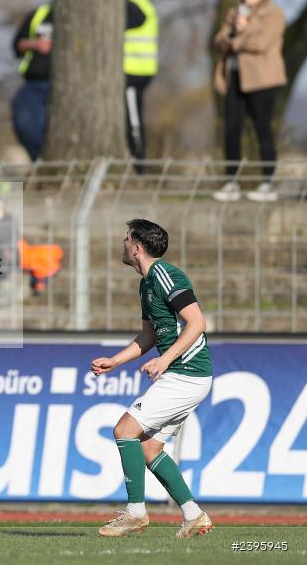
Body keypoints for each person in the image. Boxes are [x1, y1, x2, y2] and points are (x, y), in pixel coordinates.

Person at [91, 219, 213, 539]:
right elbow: (148, 335)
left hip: (187, 373)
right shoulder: (146, 283)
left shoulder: (165, 275)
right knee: (148, 450)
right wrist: (115, 361)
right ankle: (193, 515)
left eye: (126, 238)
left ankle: (135, 512)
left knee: (124, 430)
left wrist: (165, 359)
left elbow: (197, 322)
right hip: (186, 375)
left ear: (137, 247)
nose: (122, 242)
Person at [212, 0, 286, 203]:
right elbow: (218, 41)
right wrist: (234, 31)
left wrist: (238, 35)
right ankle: (231, 181)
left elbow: (261, 43)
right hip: (235, 79)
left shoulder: (273, 14)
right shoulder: (235, 13)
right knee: (231, 130)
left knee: (262, 129)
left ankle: (267, 183)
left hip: (263, 81)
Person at [125, 0, 158, 165]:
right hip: (138, 67)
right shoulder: (141, 0)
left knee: (133, 118)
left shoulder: (133, 5)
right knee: (132, 114)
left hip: (134, 70)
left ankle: (139, 161)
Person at [11, 3, 52, 162]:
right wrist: (36, 44)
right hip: (35, 84)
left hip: (66, 86)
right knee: (24, 122)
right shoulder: (39, 14)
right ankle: (39, 160)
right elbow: (17, 45)